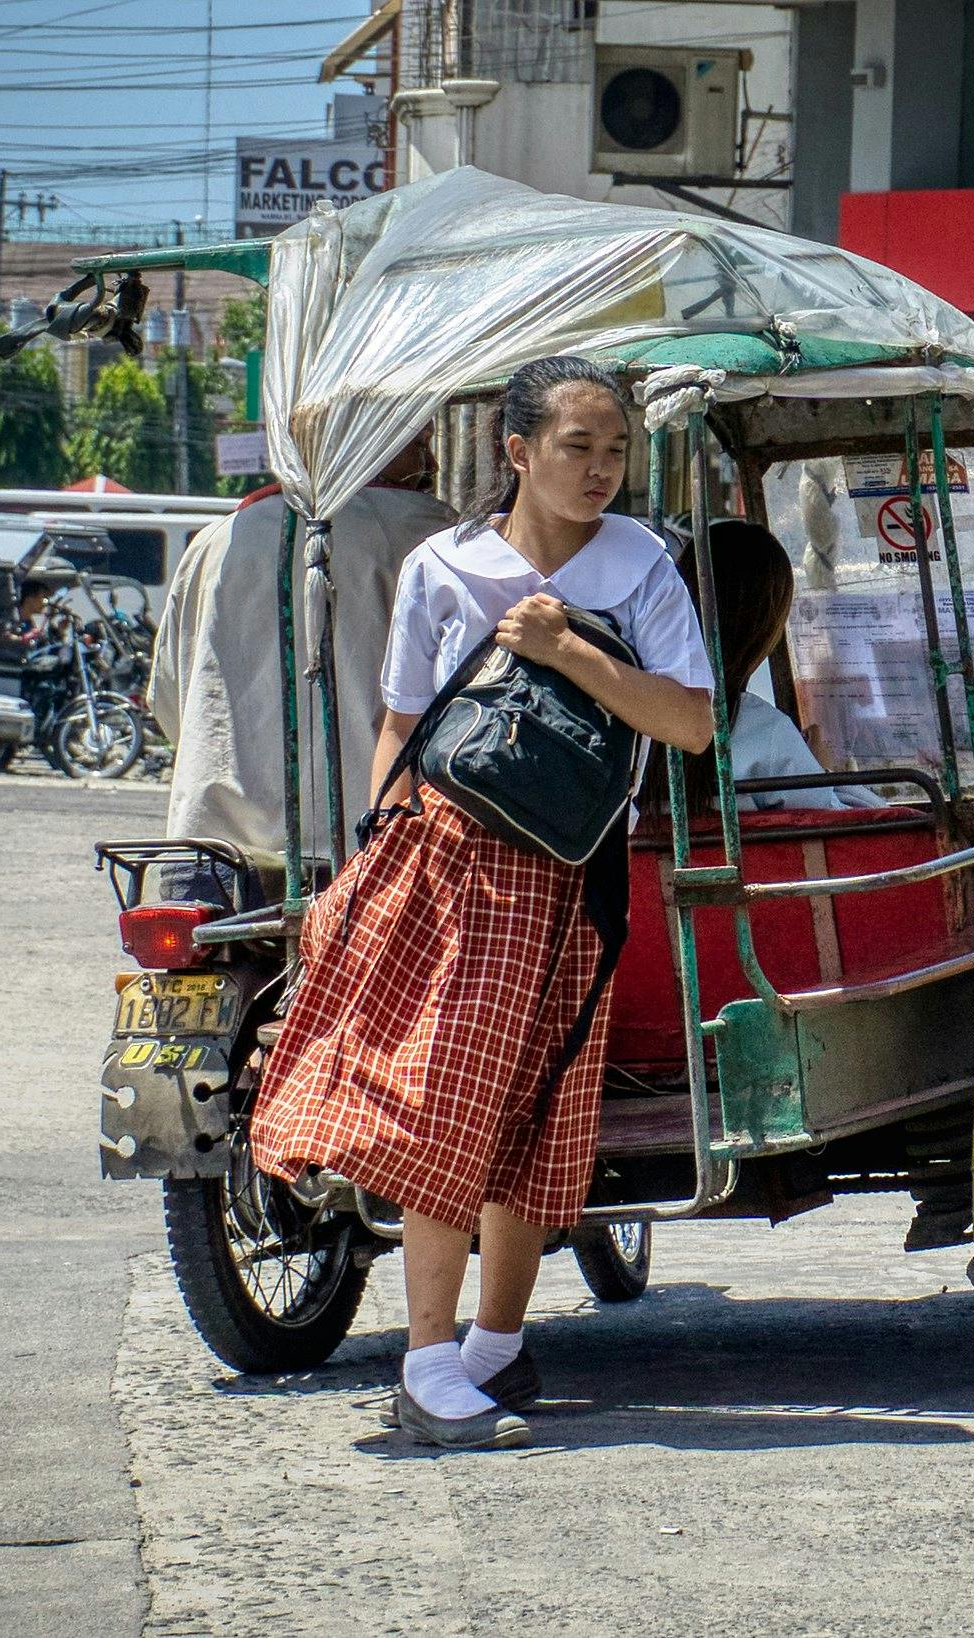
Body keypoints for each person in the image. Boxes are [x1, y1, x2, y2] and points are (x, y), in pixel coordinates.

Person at [249, 357, 713, 1451]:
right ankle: (424, 1365)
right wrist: (372, 853)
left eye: (614, 450)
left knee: (540, 1113)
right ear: (516, 452)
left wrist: (564, 652)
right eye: (575, 447)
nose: (599, 470)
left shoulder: (642, 565)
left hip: (579, 864)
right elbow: (401, 728)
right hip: (451, 856)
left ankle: (495, 1350)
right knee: (447, 1100)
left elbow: (688, 722)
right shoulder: (442, 568)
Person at [147, 434, 453, 861]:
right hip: (368, 850)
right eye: (417, 440)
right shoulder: (434, 536)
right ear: (368, 432)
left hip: (214, 846)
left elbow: (167, 699)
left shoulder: (214, 542)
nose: (432, 463)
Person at [677, 519, 886, 816]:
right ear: (765, 626)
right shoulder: (763, 730)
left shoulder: (638, 713)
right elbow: (857, 825)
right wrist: (824, 770)